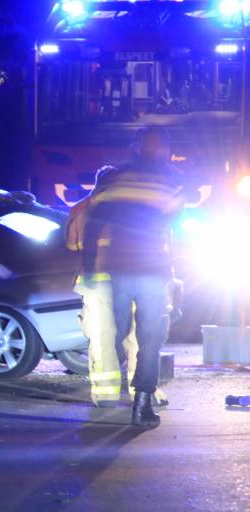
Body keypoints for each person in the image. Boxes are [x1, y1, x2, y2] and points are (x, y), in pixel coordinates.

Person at [84, 127, 187, 426]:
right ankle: (142, 403)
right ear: (164, 150)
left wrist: (91, 265)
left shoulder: (117, 177)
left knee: (117, 331)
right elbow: (175, 222)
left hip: (120, 268)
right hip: (153, 270)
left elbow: (94, 222)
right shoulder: (173, 180)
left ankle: (116, 384)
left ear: (136, 148)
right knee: (150, 339)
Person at [66, 167, 168, 407]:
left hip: (98, 283)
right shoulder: (137, 207)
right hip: (132, 277)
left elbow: (72, 244)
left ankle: (105, 394)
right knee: (139, 336)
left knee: (102, 338)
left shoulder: (83, 209)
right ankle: (143, 392)